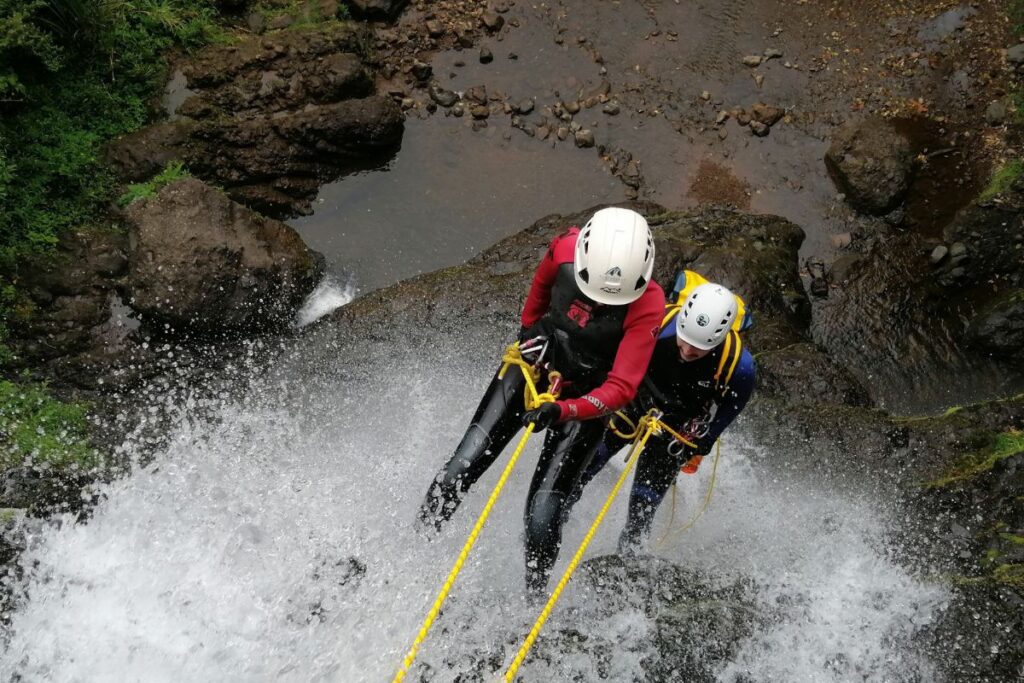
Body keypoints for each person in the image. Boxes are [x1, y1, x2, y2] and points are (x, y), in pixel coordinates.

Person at [417, 206, 666, 592]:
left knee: (542, 516)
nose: (601, 304)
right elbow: (539, 291)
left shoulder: (648, 304)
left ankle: (534, 597)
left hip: (589, 398)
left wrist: (564, 409)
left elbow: (622, 388)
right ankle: (413, 546)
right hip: (537, 366)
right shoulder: (565, 249)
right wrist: (530, 332)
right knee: (460, 468)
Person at [576, 277, 756, 554]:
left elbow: (726, 414)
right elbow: (613, 360)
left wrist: (698, 445)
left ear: (718, 341)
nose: (685, 351)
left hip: (677, 428)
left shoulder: (739, 367)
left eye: (696, 350)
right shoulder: (657, 323)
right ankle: (554, 520)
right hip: (632, 402)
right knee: (582, 468)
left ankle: (627, 557)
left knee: (642, 509)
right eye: (683, 342)